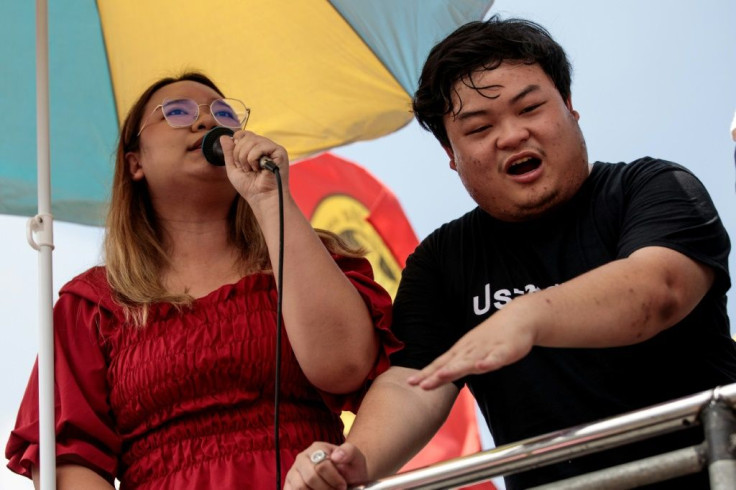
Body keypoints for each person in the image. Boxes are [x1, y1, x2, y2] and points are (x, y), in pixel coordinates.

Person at [285, 16, 736, 490]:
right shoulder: (442, 261)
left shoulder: (650, 186)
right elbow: (413, 382)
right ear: (451, 156)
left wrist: (527, 317)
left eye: (530, 108)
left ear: (569, 108)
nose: (511, 135)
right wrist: (359, 459)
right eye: (479, 128)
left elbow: (658, 289)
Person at [5, 72, 401, 490]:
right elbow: (69, 459)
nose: (206, 122)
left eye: (224, 113)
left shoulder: (305, 255)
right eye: (176, 112)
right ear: (135, 163)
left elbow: (345, 367)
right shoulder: (92, 303)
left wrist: (271, 198)